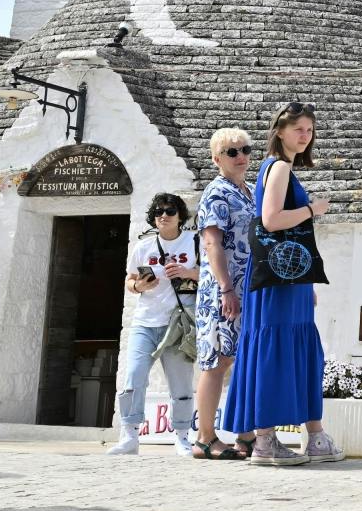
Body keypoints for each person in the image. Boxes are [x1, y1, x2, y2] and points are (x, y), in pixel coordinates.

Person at [222, 102, 345, 467]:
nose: (305, 136)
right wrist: (313, 209)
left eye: (309, 129)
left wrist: (305, 281)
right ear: (280, 131)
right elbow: (271, 220)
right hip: (276, 283)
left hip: (287, 278)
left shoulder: (283, 168)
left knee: (296, 350)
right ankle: (266, 439)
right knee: (278, 350)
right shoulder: (277, 168)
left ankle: (310, 437)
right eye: (298, 129)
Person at [108, 193, 199, 456]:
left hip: (179, 324)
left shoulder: (194, 242)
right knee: (133, 377)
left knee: (180, 382)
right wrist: (138, 285)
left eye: (170, 211)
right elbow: (130, 279)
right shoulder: (143, 247)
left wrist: (187, 272)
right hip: (145, 322)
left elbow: (213, 273)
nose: (164, 215)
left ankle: (182, 435)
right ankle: (129, 435)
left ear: (180, 215)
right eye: (158, 211)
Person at [190, 127, 258, 459]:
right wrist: (226, 288)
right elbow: (211, 243)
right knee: (217, 360)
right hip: (224, 291)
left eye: (245, 149)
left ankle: (245, 435)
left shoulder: (250, 190)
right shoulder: (217, 193)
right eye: (232, 152)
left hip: (249, 289)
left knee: (244, 359)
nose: (241, 156)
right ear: (217, 159)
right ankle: (205, 437)